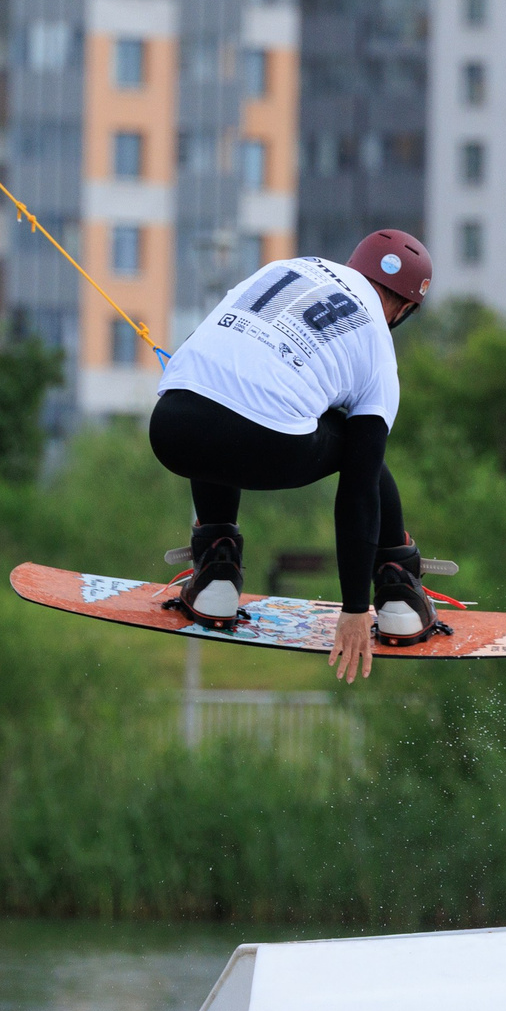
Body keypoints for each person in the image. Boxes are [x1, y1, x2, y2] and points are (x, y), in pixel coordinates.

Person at [148, 230, 438, 684]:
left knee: (223, 401)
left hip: (171, 428)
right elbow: (360, 490)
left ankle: (217, 573)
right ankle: (397, 588)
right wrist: (355, 608)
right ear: (405, 310)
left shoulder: (283, 268)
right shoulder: (380, 350)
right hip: (272, 447)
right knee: (358, 449)